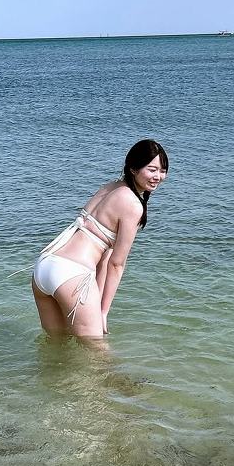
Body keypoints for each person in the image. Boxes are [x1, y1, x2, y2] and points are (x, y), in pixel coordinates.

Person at [32, 139, 169, 341]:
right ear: (133, 168)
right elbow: (116, 263)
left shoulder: (109, 187)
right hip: (71, 273)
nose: (158, 176)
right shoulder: (133, 205)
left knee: (56, 345)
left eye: (163, 171)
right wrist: (103, 312)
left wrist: (96, 303)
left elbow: (104, 255)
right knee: (97, 354)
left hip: (45, 265)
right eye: (152, 169)